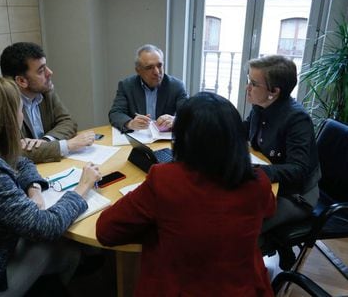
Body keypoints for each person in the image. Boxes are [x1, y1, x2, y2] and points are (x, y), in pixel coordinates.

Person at [0, 75, 101, 296]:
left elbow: (21, 161)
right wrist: (83, 187)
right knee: (58, 251)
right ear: (6, 119)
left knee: (63, 253)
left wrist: (34, 188)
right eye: (19, 110)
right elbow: (46, 226)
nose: (21, 116)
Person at [97, 92, 276, 296]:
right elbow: (268, 210)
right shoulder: (258, 181)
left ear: (183, 137)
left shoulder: (166, 179)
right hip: (241, 287)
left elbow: (106, 230)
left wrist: (158, 227)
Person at [244, 55, 320, 269]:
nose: (247, 87)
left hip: (296, 195)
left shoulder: (297, 120)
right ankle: (278, 247)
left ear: (274, 91)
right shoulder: (261, 106)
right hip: (271, 185)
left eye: (254, 83)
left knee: (240, 224)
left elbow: (299, 170)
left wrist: (258, 171)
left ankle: (252, 263)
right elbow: (244, 129)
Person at [0, 42, 95, 164]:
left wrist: (46, 140)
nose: (50, 72)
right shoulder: (2, 103)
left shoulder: (46, 92)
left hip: (47, 166)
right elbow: (13, 152)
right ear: (22, 81)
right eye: (41, 70)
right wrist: (67, 145)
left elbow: (68, 121)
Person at [108, 44, 188, 132]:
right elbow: (115, 113)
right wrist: (130, 123)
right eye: (149, 68)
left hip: (164, 140)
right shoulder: (127, 86)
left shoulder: (176, 86)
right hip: (138, 138)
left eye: (159, 65)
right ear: (138, 70)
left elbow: (189, 115)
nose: (157, 72)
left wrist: (175, 120)